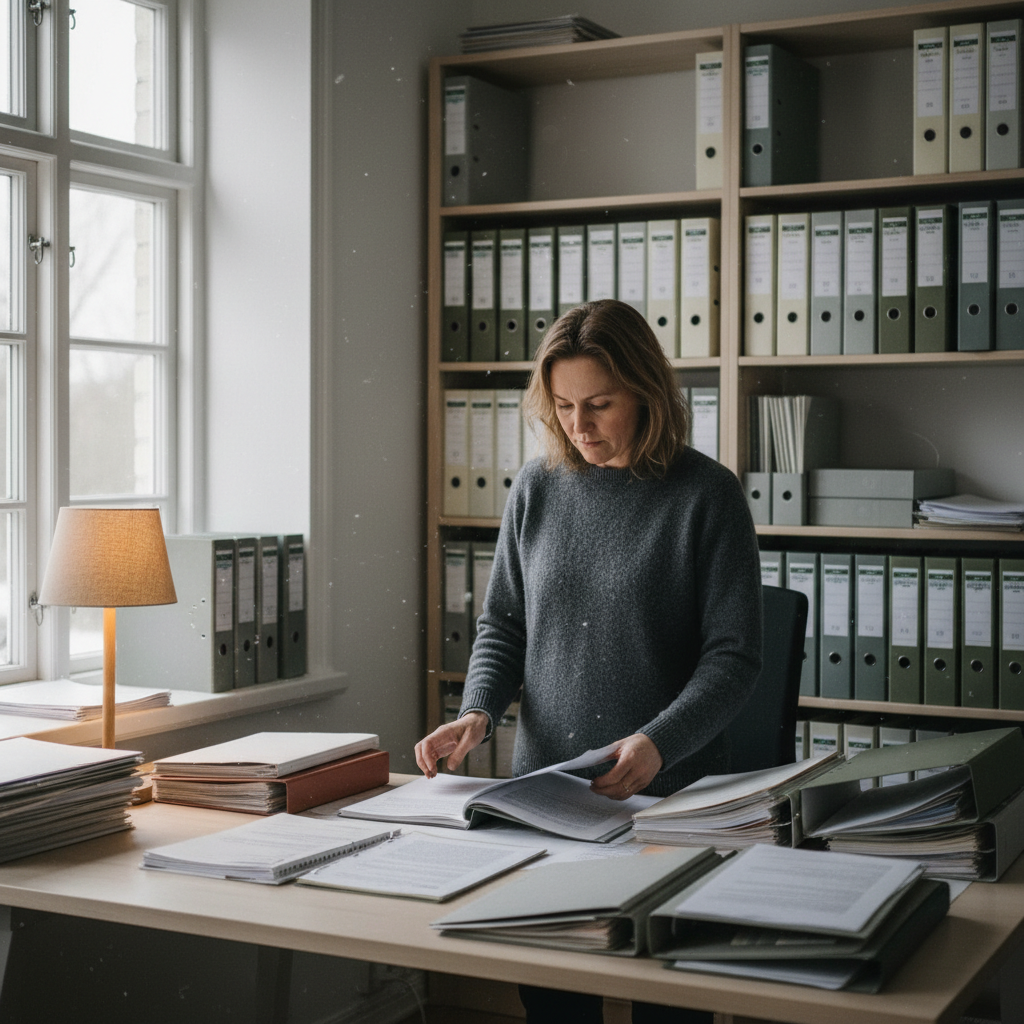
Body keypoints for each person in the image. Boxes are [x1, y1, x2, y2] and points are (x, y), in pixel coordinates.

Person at [415, 299, 763, 1024]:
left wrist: (658, 742)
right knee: (553, 998)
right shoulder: (536, 489)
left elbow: (733, 659)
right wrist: (476, 712)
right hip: (548, 798)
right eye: (564, 406)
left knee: (667, 1001)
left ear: (646, 392)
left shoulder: (708, 495)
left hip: (672, 801)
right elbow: (505, 624)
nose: (579, 426)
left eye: (599, 404)